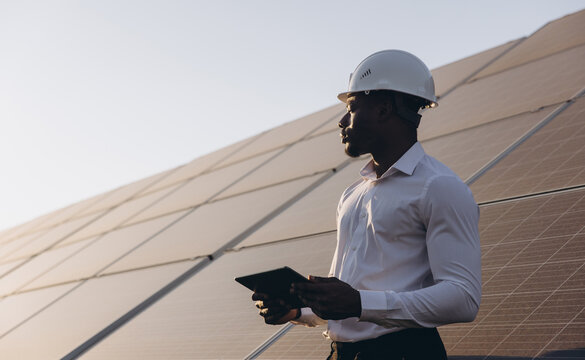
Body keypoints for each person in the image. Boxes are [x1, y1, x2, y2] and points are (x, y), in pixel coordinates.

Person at [253, 50, 481, 360]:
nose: (342, 121)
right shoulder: (352, 195)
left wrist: (360, 303)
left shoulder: (439, 187)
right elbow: (348, 302)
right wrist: (296, 310)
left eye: (351, 108)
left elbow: (463, 298)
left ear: (384, 109)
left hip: (405, 353)